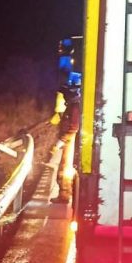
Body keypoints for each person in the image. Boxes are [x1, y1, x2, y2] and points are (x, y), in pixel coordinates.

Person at [51, 72, 81, 203]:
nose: (63, 97)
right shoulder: (73, 105)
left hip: (70, 143)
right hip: (69, 142)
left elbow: (73, 128)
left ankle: (64, 196)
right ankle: (64, 194)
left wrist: (58, 144)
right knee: (64, 169)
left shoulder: (75, 107)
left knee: (64, 171)